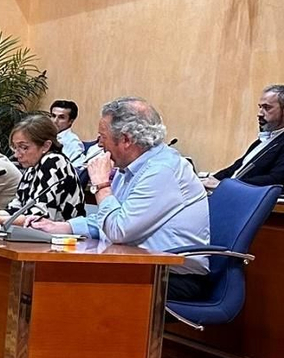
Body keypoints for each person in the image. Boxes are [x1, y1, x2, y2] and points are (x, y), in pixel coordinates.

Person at [33, 97, 211, 300]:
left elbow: (118, 230)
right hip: (136, 267)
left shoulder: (163, 171)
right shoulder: (129, 168)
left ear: (126, 140)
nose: (99, 145)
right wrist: (63, 228)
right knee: (49, 272)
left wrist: (101, 185)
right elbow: (108, 218)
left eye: (103, 137)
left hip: (172, 277)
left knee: (62, 285)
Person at [0, 113, 84, 224]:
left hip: (65, 241)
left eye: (24, 147)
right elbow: (15, 209)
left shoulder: (54, 162)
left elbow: (39, 218)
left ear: (46, 146)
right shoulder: (32, 167)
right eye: (15, 148)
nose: (17, 155)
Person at [207, 84, 284, 188]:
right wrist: (213, 178)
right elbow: (236, 167)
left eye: (267, 108)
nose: (260, 114)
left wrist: (225, 184)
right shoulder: (262, 140)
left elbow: (276, 179)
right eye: (260, 107)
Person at [49, 100, 87, 168]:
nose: (55, 121)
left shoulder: (73, 142)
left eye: (61, 117)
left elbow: (78, 169)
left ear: (70, 121)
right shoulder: (43, 135)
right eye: (53, 116)